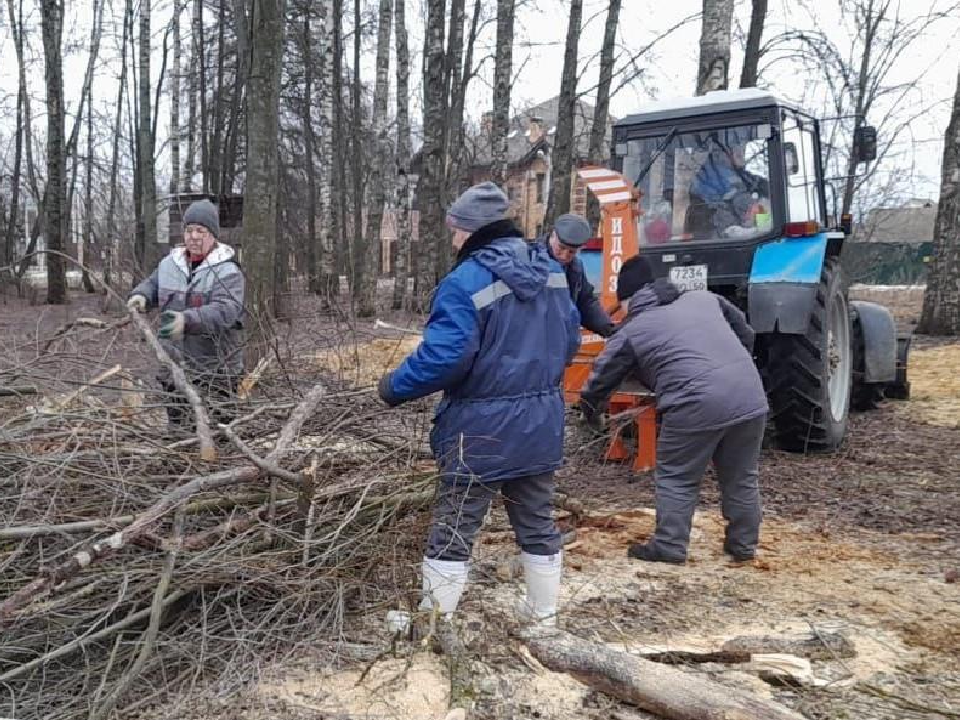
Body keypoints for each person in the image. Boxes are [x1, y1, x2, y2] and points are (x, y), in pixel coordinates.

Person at [377, 182, 580, 632]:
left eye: (456, 231)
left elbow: (445, 358)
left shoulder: (464, 281)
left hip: (480, 429)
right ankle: (543, 617)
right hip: (541, 422)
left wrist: (394, 386)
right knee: (537, 519)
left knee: (455, 524)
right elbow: (569, 342)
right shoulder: (551, 271)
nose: (453, 240)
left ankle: (434, 623)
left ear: (472, 231)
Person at [579, 255, 768, 564]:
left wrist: (591, 413)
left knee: (677, 476)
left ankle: (669, 545)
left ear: (626, 300)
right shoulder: (705, 299)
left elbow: (600, 380)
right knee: (742, 477)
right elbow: (746, 335)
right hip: (750, 395)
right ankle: (743, 547)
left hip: (694, 403)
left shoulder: (632, 329)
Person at [127, 199, 245, 429]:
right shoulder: (170, 263)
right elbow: (153, 284)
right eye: (189, 230)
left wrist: (187, 320)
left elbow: (227, 310)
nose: (194, 236)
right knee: (178, 429)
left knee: (219, 430)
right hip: (174, 361)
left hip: (215, 367)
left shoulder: (228, 271)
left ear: (213, 235)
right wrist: (141, 295)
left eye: (201, 230)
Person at [537, 213, 615, 337]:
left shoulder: (576, 268)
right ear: (553, 235)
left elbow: (585, 302)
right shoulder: (532, 261)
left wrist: (606, 327)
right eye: (561, 248)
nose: (564, 255)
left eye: (571, 252)